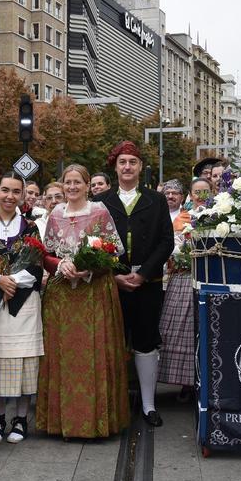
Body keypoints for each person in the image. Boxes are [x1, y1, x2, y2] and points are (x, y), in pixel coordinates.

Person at [38, 164, 129, 438]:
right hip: (61, 296)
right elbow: (46, 253)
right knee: (62, 354)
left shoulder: (100, 212)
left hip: (94, 293)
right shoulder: (55, 214)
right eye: (68, 182)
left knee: (94, 353)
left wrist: (89, 267)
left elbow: (115, 253)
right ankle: (59, 422)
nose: (73, 187)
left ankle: (96, 421)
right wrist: (61, 264)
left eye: (78, 182)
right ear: (63, 185)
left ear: (88, 185)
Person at [93, 141, 174, 427]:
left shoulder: (157, 200)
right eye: (122, 162)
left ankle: (149, 405)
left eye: (132, 162)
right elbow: (93, 243)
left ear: (140, 167)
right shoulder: (101, 202)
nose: (127, 167)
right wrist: (114, 273)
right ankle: (112, 403)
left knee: (146, 341)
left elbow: (167, 241)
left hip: (147, 282)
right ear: (115, 167)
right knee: (112, 341)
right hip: (111, 283)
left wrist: (143, 273)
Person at [0, 172, 44, 444]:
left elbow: (36, 266)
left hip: (25, 302)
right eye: (5, 190)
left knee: (23, 360)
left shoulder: (30, 226)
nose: (9, 196)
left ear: (22, 195)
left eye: (15, 191)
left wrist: (12, 282)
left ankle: (19, 419)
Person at [159, 178, 208, 399]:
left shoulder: (203, 216)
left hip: (193, 277)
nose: (170, 196)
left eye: (174, 193)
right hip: (169, 277)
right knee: (173, 331)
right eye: (167, 192)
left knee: (195, 329)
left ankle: (197, 382)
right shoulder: (169, 218)